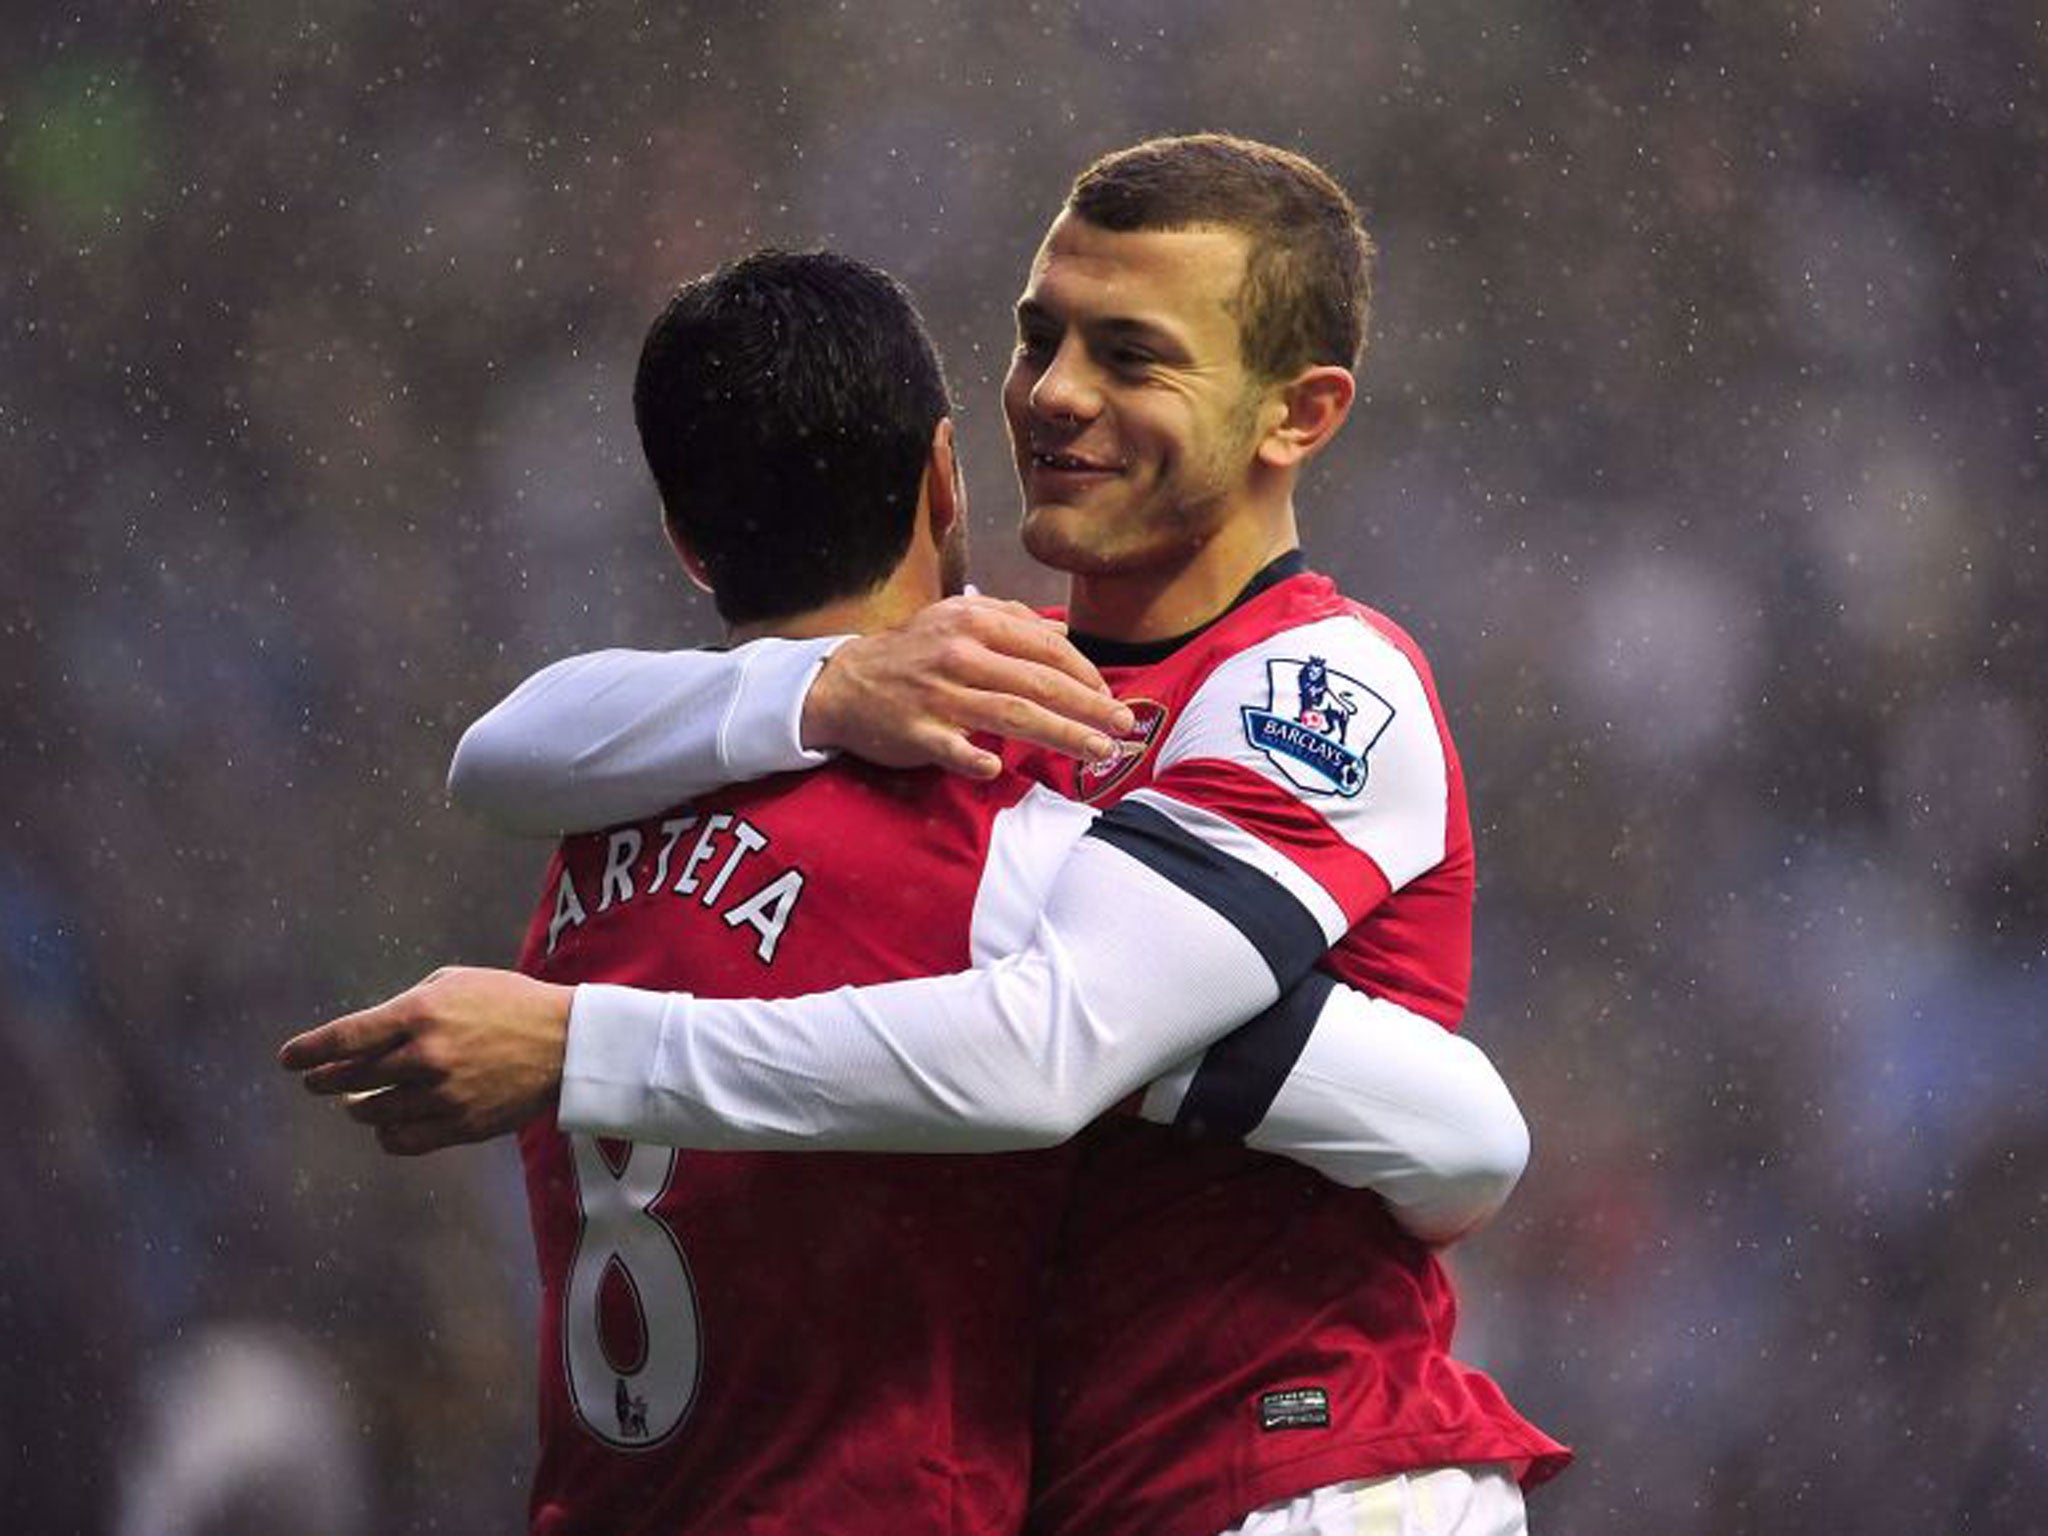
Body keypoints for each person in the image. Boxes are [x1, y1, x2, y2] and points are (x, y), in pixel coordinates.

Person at [285, 136, 1569, 1533]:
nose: (1059, 392)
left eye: (1133, 357)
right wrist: (822, 688)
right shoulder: (975, 719)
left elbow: (1056, 1047)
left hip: (1302, 1483)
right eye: (1040, 336)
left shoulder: (1313, 686)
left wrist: (582, 1044)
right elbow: (504, 751)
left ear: (1297, 415)